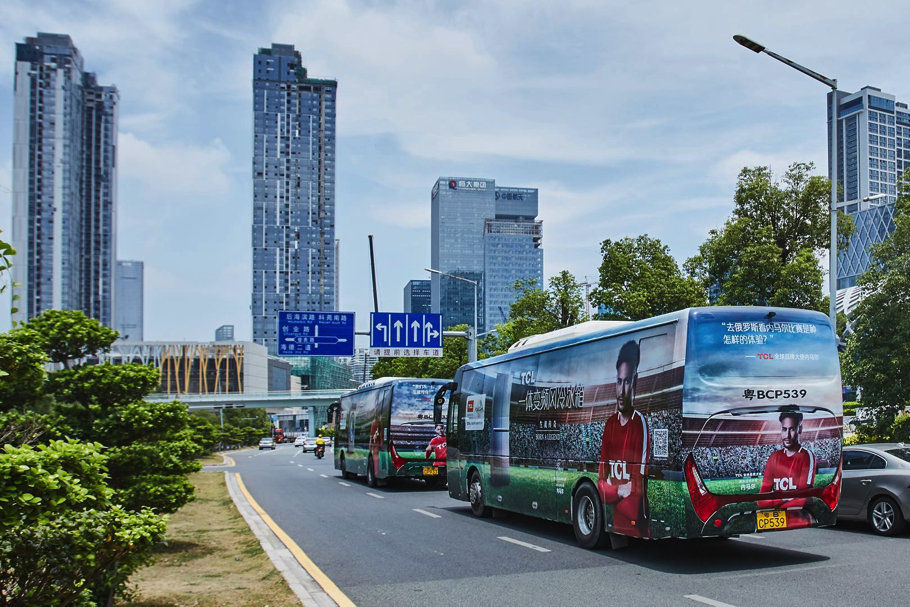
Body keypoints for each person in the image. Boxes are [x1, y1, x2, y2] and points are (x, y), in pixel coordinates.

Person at [597, 339, 649, 537]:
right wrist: (618, 491)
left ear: (634, 382)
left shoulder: (639, 424)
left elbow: (636, 499)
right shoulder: (610, 424)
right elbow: (600, 485)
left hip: (638, 529)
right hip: (617, 526)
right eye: (619, 381)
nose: (622, 389)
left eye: (627, 381)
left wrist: (610, 491)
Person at [758, 410, 817, 509]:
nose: (787, 435)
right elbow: (761, 502)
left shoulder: (806, 455)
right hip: (777, 520)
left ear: (800, 429)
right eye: (784, 429)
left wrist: (776, 502)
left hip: (799, 518)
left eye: (792, 429)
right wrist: (785, 500)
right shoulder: (774, 458)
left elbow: (804, 498)